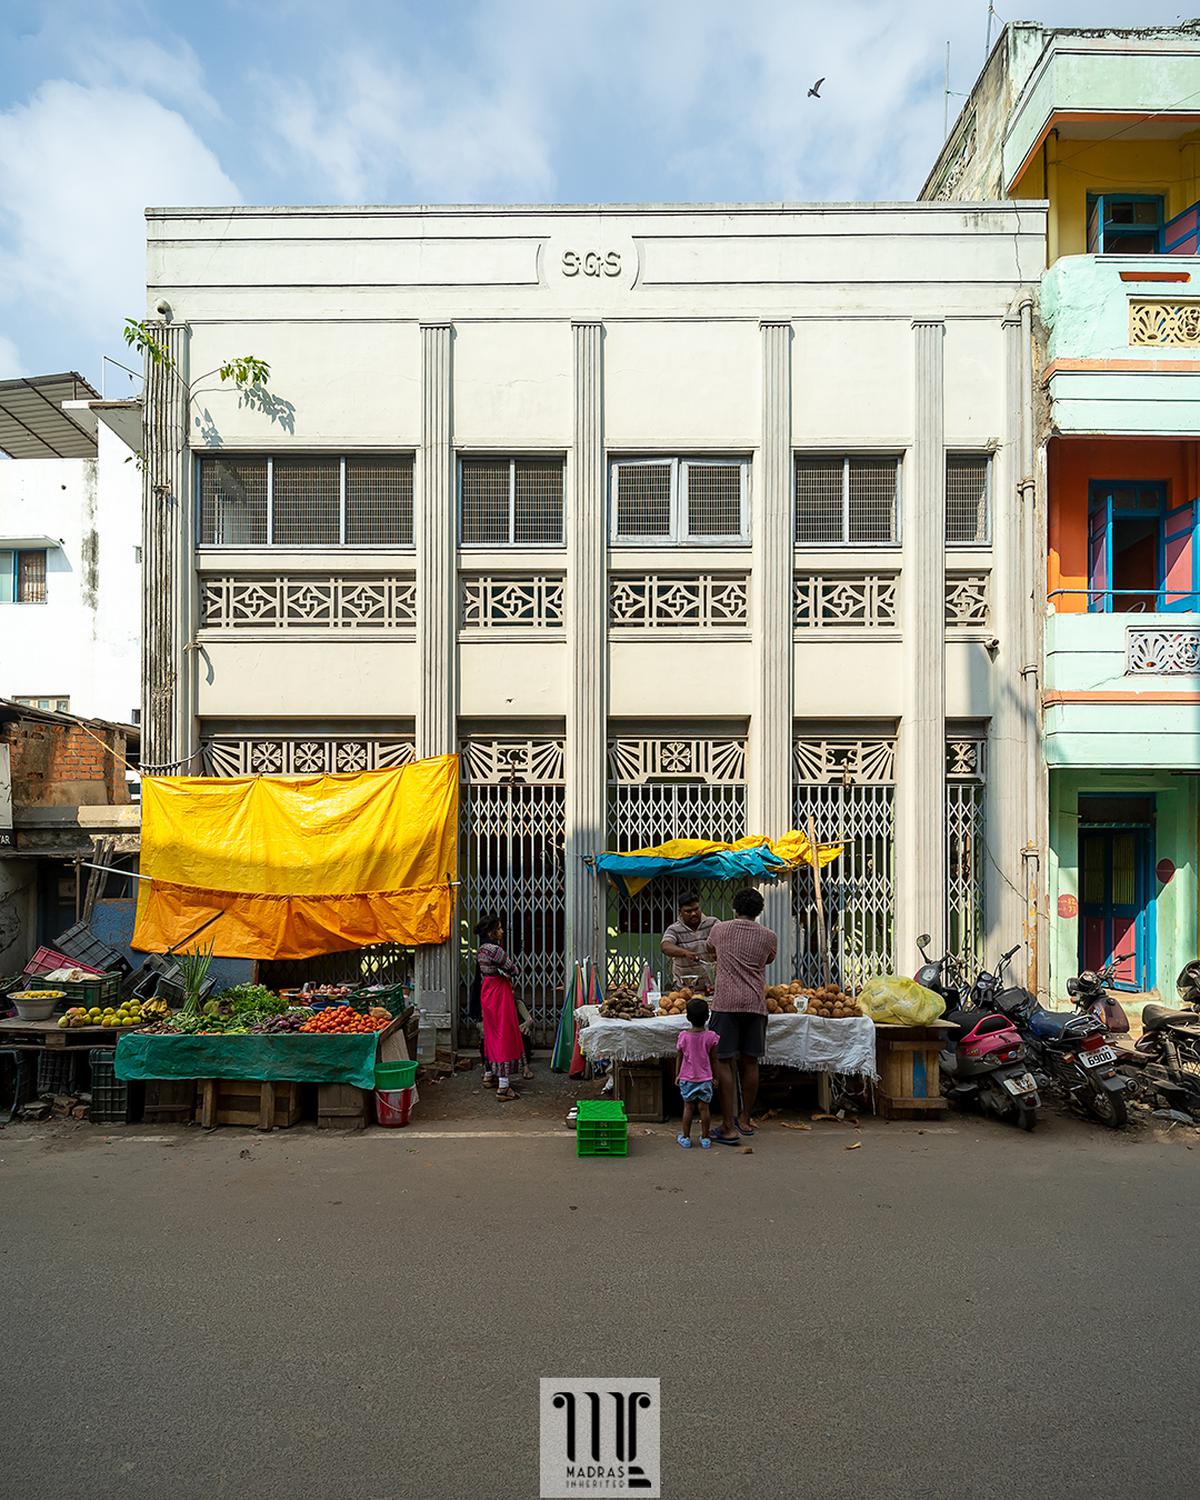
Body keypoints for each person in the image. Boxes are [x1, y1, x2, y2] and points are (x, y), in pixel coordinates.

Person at [705, 888, 777, 1145]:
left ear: (735, 906)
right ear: (759, 912)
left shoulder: (719, 930)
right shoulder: (769, 936)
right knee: (750, 1062)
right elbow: (767, 960)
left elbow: (711, 950)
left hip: (725, 1004)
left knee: (723, 1061)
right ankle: (745, 1119)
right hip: (755, 1004)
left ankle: (727, 1124)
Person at [474, 914, 527, 1102]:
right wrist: (506, 972)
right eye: (499, 928)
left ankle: (489, 1074)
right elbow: (513, 969)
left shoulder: (480, 950)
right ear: (491, 932)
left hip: (487, 992)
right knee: (503, 1035)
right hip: (498, 993)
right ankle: (504, 1087)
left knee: (491, 1034)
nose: (502, 931)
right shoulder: (495, 950)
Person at [674, 996, 719, 1149]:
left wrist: (678, 1075)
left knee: (688, 1107)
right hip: (705, 1078)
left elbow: (679, 1057)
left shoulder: (683, 1037)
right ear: (707, 1017)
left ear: (687, 1017)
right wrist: (716, 1077)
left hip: (687, 1078)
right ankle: (705, 1138)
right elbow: (714, 1060)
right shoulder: (711, 1037)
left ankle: (686, 1138)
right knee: (704, 1108)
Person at [660, 892, 718, 991]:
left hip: (711, 987)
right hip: (684, 988)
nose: (693, 914)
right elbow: (665, 946)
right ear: (680, 912)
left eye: (696, 909)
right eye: (688, 911)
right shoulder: (674, 929)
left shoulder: (713, 923)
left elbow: (726, 940)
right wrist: (685, 953)